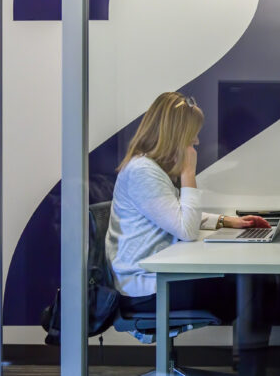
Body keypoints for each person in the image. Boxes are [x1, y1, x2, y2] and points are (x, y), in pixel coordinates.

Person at [105, 91, 271, 329]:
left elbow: (174, 215)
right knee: (256, 284)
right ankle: (250, 364)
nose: (197, 141)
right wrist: (188, 173)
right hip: (145, 291)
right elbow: (186, 229)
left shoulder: (148, 168)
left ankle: (248, 361)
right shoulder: (142, 172)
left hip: (155, 279)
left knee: (253, 281)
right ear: (176, 134)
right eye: (193, 134)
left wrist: (225, 221)